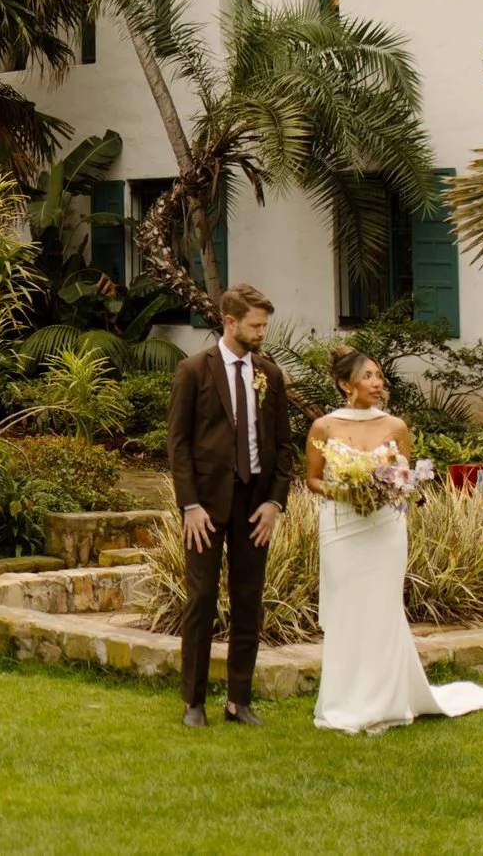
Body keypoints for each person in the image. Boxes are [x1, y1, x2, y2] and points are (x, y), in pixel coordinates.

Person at [307, 346, 483, 733]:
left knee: (383, 609)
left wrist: (384, 490)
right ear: (345, 384)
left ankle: (388, 700)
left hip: (384, 529)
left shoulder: (395, 426)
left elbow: (404, 479)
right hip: (341, 528)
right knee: (347, 610)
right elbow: (313, 479)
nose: (377, 383)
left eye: (379, 376)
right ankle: (343, 701)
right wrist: (344, 490)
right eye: (368, 376)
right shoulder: (324, 427)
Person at [166, 283, 292, 728]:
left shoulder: (269, 374)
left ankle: (239, 701)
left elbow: (282, 445)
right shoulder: (194, 371)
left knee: (248, 600)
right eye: (256, 325)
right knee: (201, 599)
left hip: (255, 504)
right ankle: (193, 702)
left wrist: (276, 501)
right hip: (206, 505)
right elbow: (178, 445)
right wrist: (190, 505)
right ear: (230, 322)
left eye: (264, 325)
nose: (262, 333)